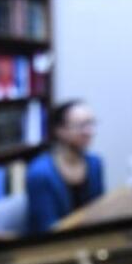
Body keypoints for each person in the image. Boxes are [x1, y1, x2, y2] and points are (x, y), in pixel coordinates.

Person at [26, 100, 105, 233]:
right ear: (60, 131)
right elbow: (48, 228)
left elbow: (99, 210)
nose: (89, 131)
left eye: (91, 123)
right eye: (81, 125)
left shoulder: (95, 163)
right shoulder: (39, 173)